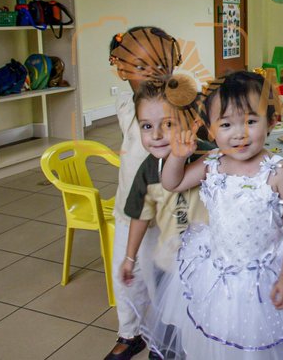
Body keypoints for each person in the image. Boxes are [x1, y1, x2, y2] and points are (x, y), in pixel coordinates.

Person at [146, 71, 283, 359]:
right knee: (219, 339)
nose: (239, 134)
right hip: (217, 274)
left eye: (251, 121)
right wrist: (177, 155)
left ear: (273, 122)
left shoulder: (277, 172)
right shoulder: (211, 163)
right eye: (226, 124)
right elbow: (172, 183)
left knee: (261, 344)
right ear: (211, 130)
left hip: (266, 278)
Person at [105, 26, 182, 360]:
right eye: (140, 65)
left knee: (166, 278)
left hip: (168, 212)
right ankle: (130, 332)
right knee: (127, 274)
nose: (152, 72)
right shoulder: (126, 104)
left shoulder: (181, 102)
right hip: (131, 209)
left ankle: (166, 338)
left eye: (159, 64)